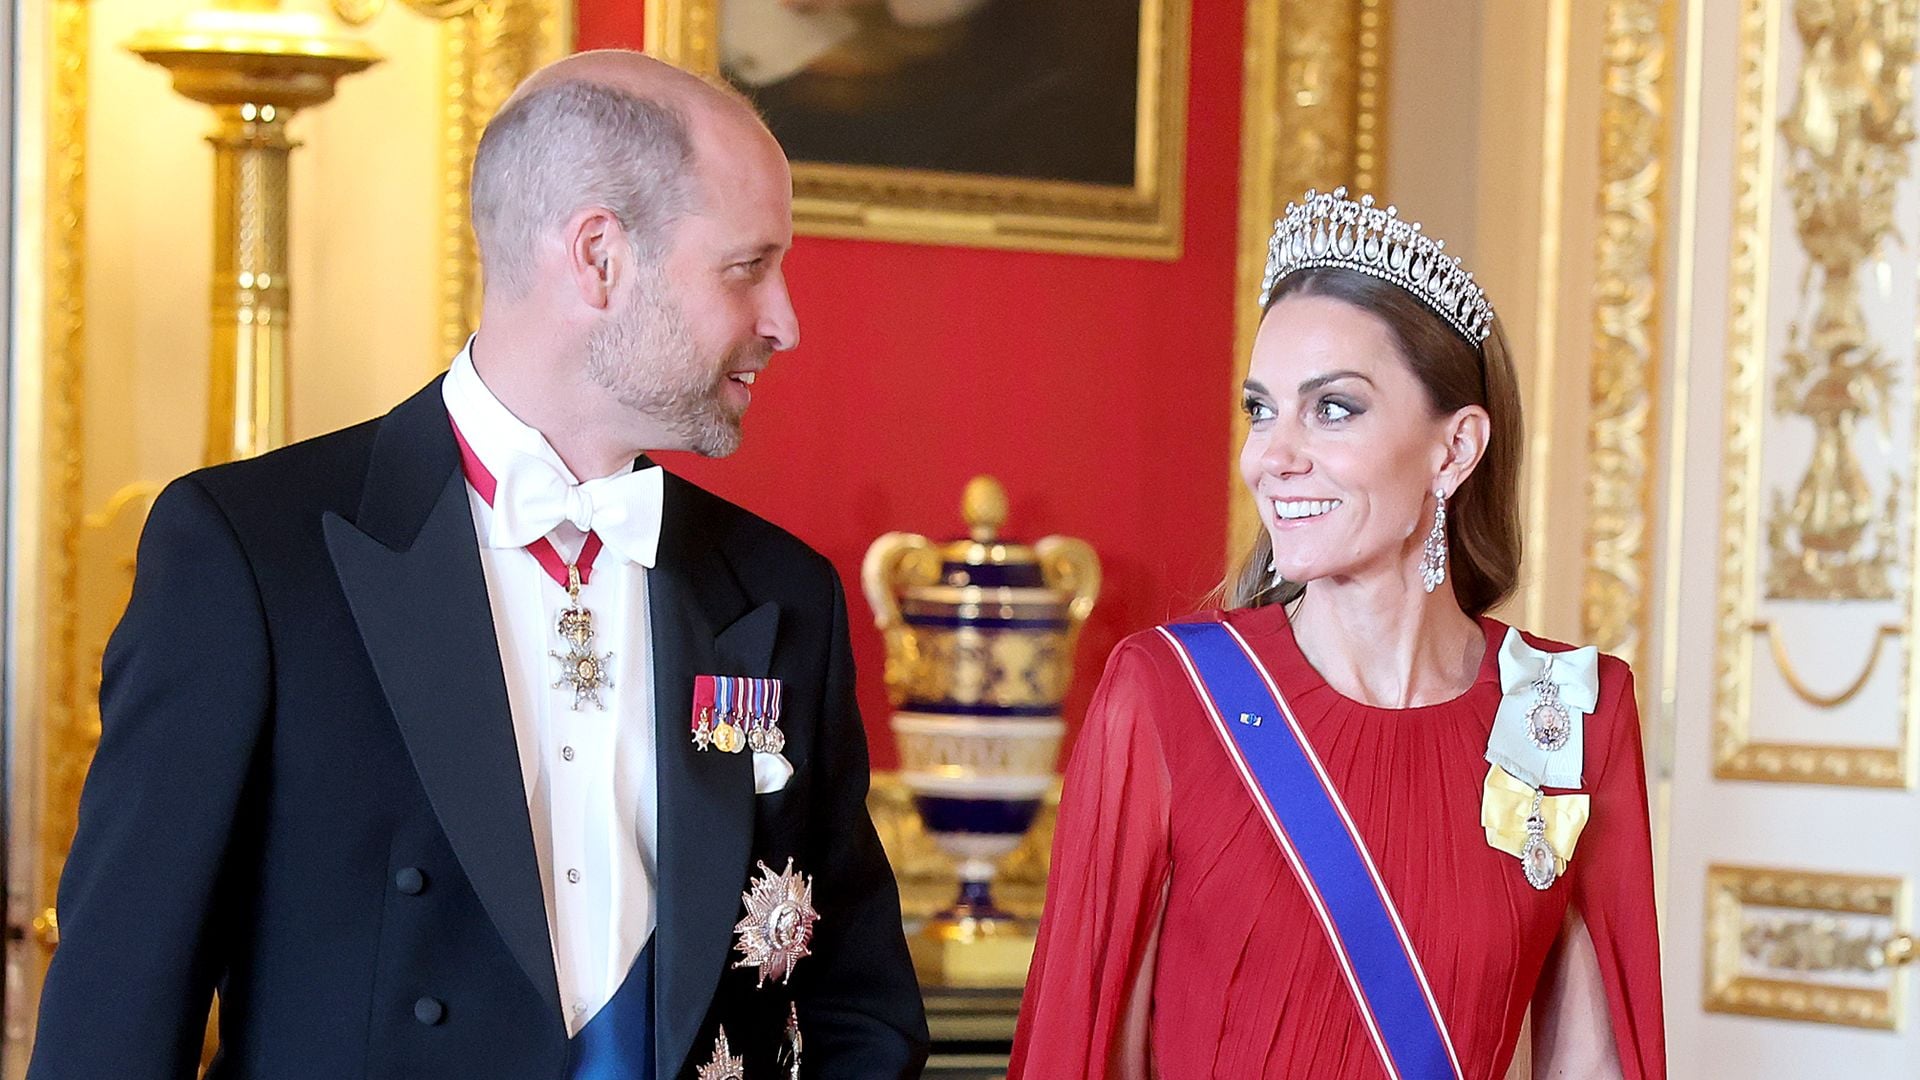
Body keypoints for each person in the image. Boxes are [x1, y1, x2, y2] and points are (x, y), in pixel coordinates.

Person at [29, 50, 927, 1080]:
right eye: (746, 267)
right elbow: (115, 1017)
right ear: (599, 257)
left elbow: (862, 1007)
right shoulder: (251, 557)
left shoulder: (780, 592)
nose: (785, 321)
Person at [1008, 188, 1666, 1079]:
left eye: (1333, 409)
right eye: (1260, 408)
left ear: (1454, 449)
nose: (1272, 456)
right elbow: (1087, 1056)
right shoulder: (1168, 695)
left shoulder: (1567, 709)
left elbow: (1593, 1062)